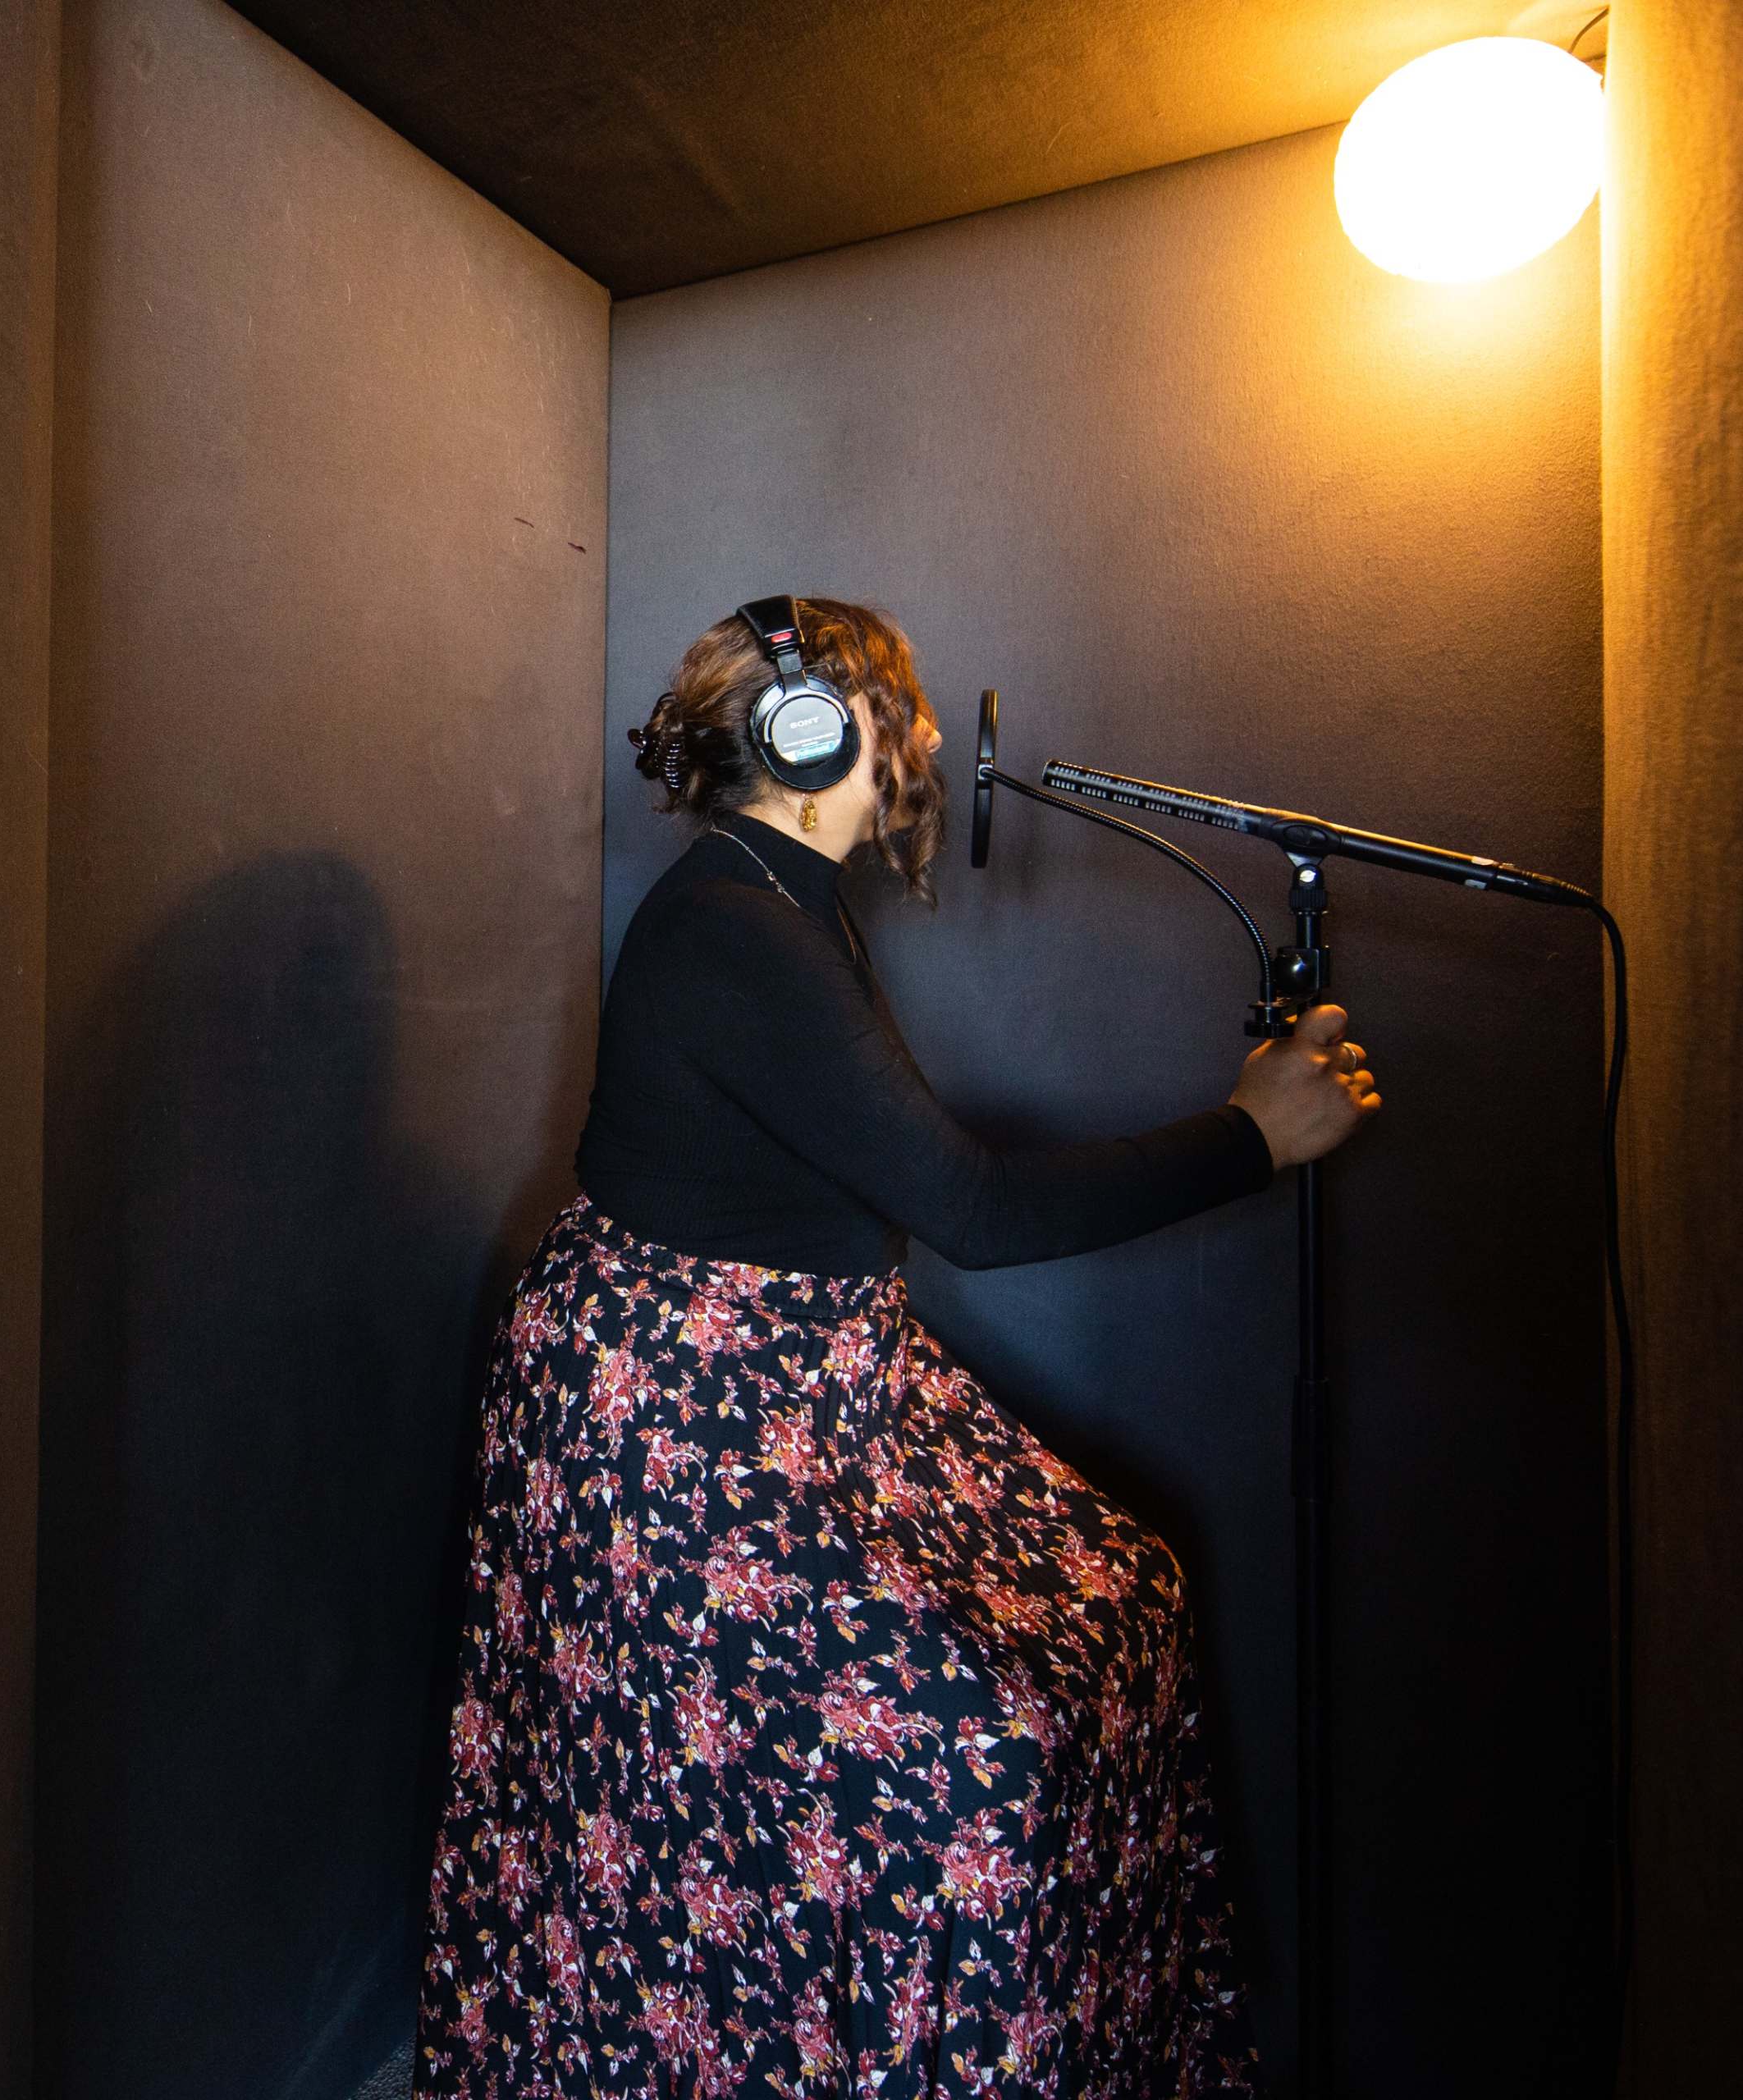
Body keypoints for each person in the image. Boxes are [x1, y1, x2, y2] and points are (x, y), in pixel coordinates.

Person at [409, 598, 1379, 2098]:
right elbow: (973, 1209)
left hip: (804, 1387)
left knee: (1121, 1598)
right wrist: (1254, 1134)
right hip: (673, 1429)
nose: (927, 737)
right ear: (815, 736)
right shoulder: (735, 931)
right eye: (901, 708)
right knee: (984, 1747)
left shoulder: (783, 897)